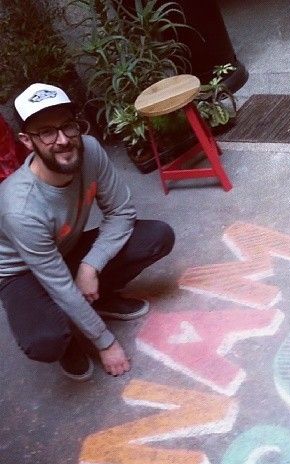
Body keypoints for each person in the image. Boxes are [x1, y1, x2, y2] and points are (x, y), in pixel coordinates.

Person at [0, 83, 175, 381]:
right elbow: (57, 283)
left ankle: (99, 297)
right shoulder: (20, 207)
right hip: (21, 273)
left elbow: (121, 212)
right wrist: (105, 342)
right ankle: (68, 334)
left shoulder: (90, 149)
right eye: (46, 132)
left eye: (68, 126)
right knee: (46, 341)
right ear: (27, 141)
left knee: (156, 237)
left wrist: (90, 265)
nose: (63, 140)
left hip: (65, 249)